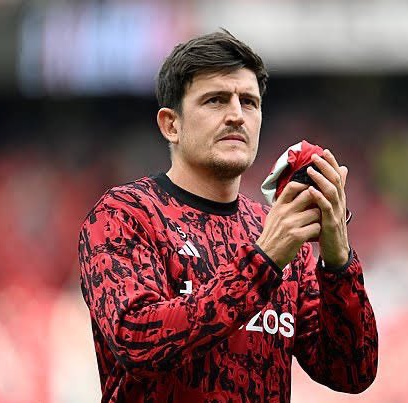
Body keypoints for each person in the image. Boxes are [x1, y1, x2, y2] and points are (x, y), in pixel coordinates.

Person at [78, 29, 378, 402]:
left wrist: (338, 262)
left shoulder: (280, 235)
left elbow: (352, 372)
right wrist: (264, 260)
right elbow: (137, 339)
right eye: (216, 100)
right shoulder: (125, 215)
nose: (237, 116)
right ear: (171, 124)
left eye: (249, 102)